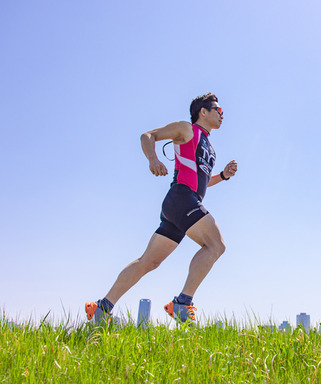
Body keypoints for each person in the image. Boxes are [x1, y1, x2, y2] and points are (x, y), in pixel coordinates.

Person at [85, 92, 237, 324]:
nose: (222, 115)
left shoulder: (210, 146)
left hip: (183, 202)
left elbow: (202, 180)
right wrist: (152, 160)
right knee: (216, 245)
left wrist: (223, 176)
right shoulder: (186, 129)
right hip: (182, 198)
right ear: (203, 112)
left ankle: (101, 309)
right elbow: (148, 135)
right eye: (219, 110)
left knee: (148, 262)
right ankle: (182, 303)